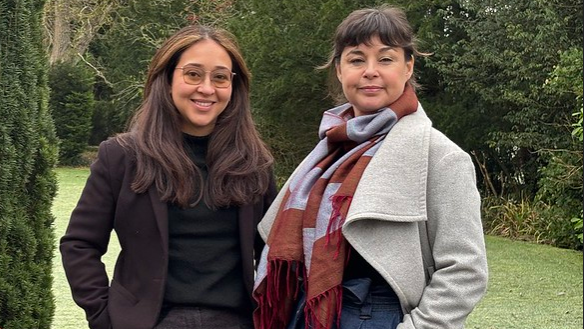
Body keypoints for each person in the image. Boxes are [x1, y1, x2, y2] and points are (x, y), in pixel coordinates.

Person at [252, 5, 488, 329]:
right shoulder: (328, 152)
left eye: (386, 59)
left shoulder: (441, 157)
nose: (370, 71)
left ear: (408, 67)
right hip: (306, 313)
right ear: (339, 70)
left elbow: (465, 270)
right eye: (357, 59)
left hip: (380, 316)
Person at [60, 24, 276, 329]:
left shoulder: (254, 163)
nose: (207, 88)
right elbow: (79, 245)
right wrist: (103, 316)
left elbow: (274, 253)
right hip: (150, 321)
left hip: (236, 321)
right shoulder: (122, 157)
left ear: (234, 86)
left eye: (220, 77)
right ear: (168, 78)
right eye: (193, 74)